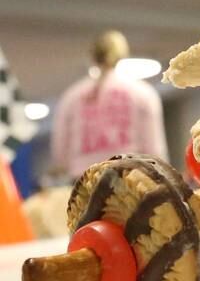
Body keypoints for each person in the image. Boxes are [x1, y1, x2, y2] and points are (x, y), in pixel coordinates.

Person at [51, 30, 168, 180]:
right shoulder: (142, 93)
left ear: (93, 56)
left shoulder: (70, 97)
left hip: (84, 183)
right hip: (129, 185)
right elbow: (155, 152)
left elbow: (60, 155)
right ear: (122, 54)